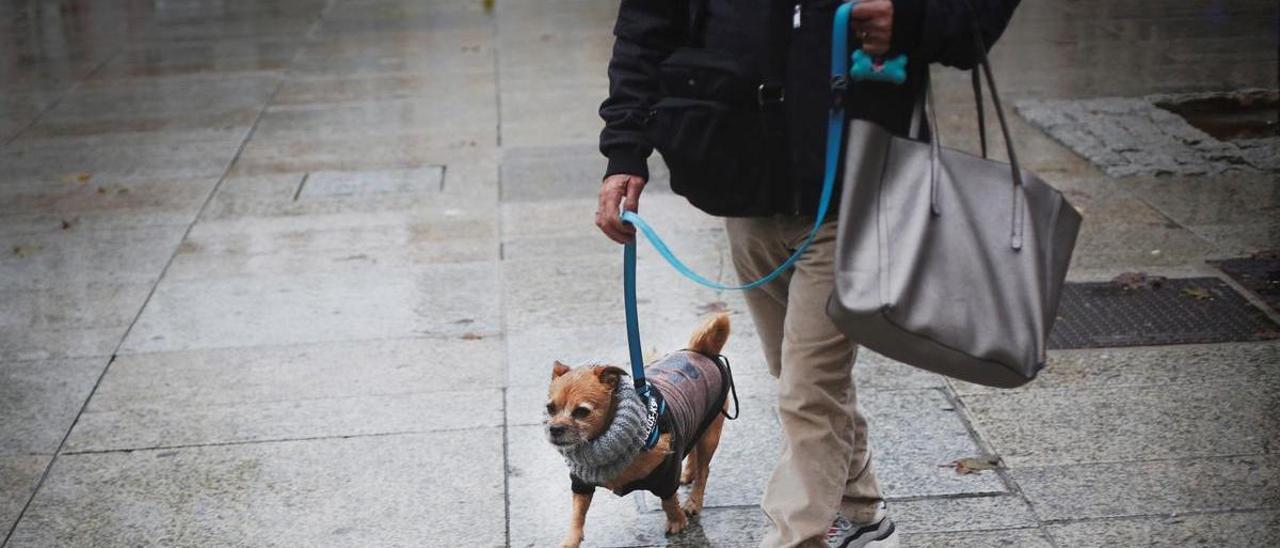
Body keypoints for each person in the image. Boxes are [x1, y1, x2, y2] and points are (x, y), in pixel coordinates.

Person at [593, 1, 1019, 546]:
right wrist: (625, 152)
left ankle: (795, 536)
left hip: (856, 186)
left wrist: (914, 20)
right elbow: (645, 28)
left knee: (808, 389)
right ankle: (862, 510)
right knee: (797, 372)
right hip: (739, 182)